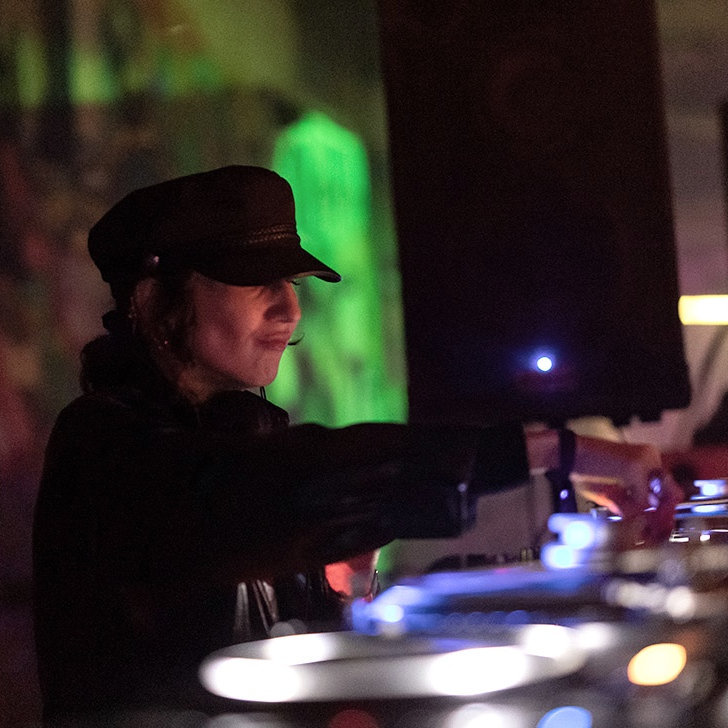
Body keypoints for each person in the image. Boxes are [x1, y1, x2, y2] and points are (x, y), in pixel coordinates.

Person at [33, 165, 680, 726]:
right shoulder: (102, 444)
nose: (289, 309)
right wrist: (545, 451)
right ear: (154, 300)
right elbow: (249, 492)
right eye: (255, 281)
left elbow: (312, 660)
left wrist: (349, 584)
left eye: (291, 283)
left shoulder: (242, 437)